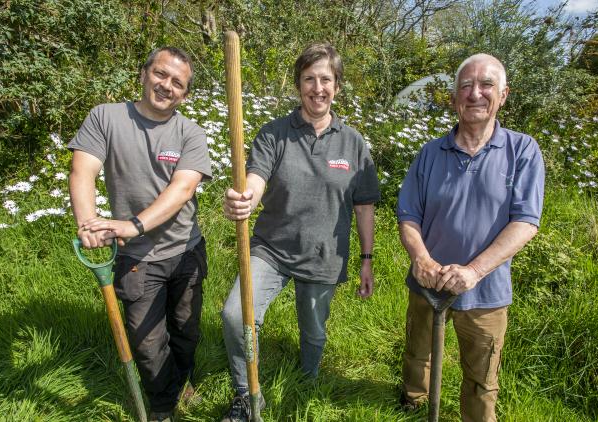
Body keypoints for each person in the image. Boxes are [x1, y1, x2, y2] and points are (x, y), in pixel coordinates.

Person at [219, 43, 381, 422]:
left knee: (313, 333)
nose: (318, 87)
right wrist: (245, 199)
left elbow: (364, 206)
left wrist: (367, 260)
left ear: (337, 86)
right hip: (271, 249)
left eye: (326, 79)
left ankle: (306, 383)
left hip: (324, 253)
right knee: (233, 315)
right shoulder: (275, 133)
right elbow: (256, 178)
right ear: (298, 85)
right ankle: (247, 395)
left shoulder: (353, 143)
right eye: (309, 79)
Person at [396, 53, 545, 421]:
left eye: (486, 85)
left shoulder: (522, 151)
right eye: (466, 85)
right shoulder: (430, 153)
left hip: (486, 291)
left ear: (504, 95)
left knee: (482, 378)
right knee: (418, 354)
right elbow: (408, 215)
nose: (475, 93)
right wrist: (421, 260)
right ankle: (413, 406)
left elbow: (525, 222)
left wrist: (474, 271)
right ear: (453, 98)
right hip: (427, 284)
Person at [68, 47, 212, 422]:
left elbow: (182, 190)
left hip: (185, 252)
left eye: (177, 83)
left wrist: (132, 224)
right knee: (147, 343)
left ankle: (184, 382)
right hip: (135, 258)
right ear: (145, 72)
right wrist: (88, 225)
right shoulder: (106, 117)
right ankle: (163, 405)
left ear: (185, 94)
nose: (166, 86)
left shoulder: (190, 133)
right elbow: (82, 172)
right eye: (160, 74)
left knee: (185, 331)